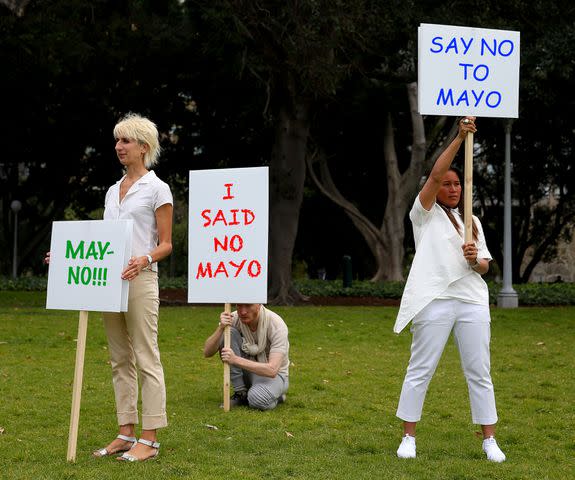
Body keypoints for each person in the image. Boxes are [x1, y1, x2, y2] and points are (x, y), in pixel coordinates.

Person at [45, 113, 173, 461]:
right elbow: (101, 240)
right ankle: (125, 432)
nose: (119, 146)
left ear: (143, 147)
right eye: (117, 141)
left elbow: (166, 244)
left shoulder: (158, 189)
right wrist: (66, 257)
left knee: (146, 356)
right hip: (107, 283)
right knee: (119, 359)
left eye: (126, 141)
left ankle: (150, 438)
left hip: (141, 281)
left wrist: (143, 260)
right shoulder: (112, 191)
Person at [393, 117, 506, 463]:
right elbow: (435, 176)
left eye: (459, 184)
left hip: (471, 299)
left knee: (479, 371)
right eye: (449, 184)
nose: (454, 189)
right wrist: (460, 137)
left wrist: (475, 260)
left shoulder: (470, 220)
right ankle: (408, 437)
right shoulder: (423, 213)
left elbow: (486, 266)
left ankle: (489, 440)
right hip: (434, 299)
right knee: (421, 368)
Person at [204, 304, 289, 410]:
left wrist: (235, 359)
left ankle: (277, 397)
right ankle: (240, 393)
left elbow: (272, 370)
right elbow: (207, 352)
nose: (243, 312)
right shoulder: (233, 318)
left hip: (275, 376)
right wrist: (221, 327)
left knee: (257, 399)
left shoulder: (276, 324)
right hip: (248, 371)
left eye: (248, 306)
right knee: (228, 332)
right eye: (239, 306)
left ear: (258, 305)